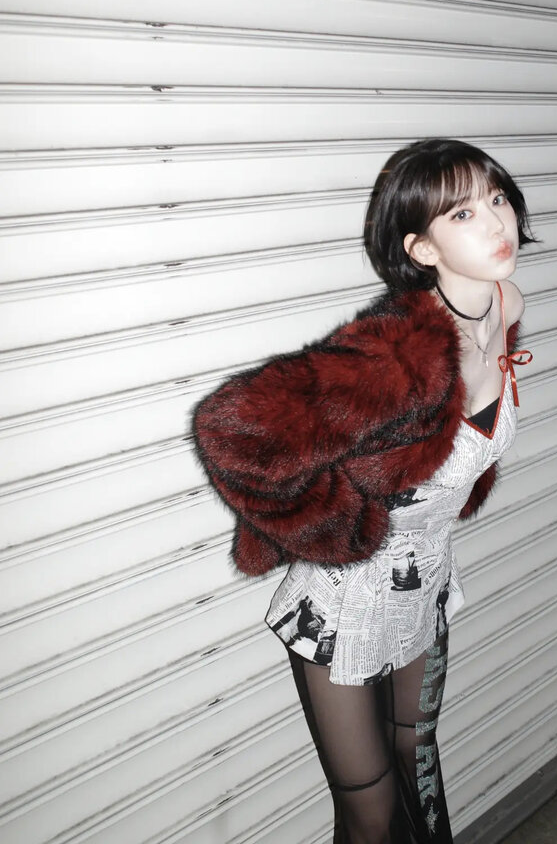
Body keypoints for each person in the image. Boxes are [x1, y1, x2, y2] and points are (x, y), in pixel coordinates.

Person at [192, 138, 533, 844]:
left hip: (426, 582)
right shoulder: (394, 354)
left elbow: (460, 446)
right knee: (371, 813)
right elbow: (230, 432)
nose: (497, 222)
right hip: (345, 604)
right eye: (463, 214)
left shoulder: (503, 303)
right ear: (422, 249)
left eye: (497, 198)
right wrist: (340, 530)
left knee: (419, 764)